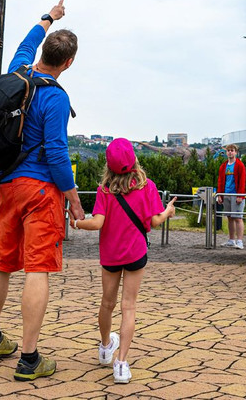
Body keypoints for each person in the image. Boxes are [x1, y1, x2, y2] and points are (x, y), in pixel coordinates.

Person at [0, 0, 85, 382]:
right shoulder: (56, 96)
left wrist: (48, 18)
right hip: (40, 191)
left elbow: (25, 43)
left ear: (43, 53)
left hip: (7, 185)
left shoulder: (18, 72)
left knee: (1, 262)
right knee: (38, 267)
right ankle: (28, 357)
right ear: (68, 63)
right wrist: (73, 200)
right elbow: (56, 153)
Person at [71, 138, 176, 384]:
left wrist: (76, 223)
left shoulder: (105, 190)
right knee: (128, 306)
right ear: (134, 160)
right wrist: (168, 211)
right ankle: (121, 364)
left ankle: (105, 346)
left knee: (107, 303)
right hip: (136, 253)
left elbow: (97, 222)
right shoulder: (147, 186)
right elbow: (154, 221)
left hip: (110, 254)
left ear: (108, 164)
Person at [216, 144, 246, 248]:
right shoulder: (223, 166)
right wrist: (220, 194)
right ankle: (231, 240)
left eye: (232, 150)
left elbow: (242, 181)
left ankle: (240, 241)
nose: (230, 152)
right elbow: (220, 181)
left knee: (238, 218)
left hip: (236, 194)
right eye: (228, 150)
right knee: (229, 218)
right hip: (226, 194)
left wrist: (240, 195)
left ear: (236, 152)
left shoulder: (240, 165)